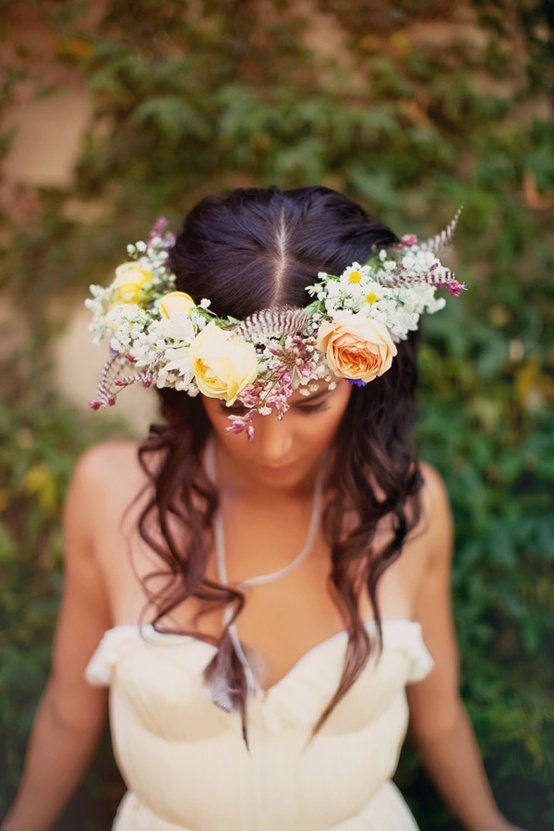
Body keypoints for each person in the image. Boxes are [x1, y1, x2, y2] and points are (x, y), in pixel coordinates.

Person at [2, 187, 526, 831]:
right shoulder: (107, 492)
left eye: (311, 404)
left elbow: (439, 711)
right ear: (189, 378)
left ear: (366, 374)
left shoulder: (409, 506)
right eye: (234, 404)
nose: (273, 447)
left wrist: (491, 824)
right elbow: (68, 709)